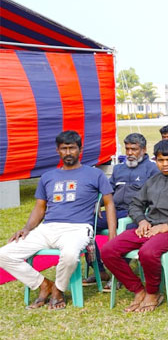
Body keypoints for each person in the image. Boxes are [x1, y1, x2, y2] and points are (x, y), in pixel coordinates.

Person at [0, 131, 115, 310]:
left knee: (70, 256)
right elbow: (40, 207)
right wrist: (27, 228)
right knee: (4, 254)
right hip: (48, 228)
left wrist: (112, 235)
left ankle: (58, 290)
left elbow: (109, 204)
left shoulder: (95, 174)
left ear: (80, 150)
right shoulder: (48, 176)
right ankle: (43, 285)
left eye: (72, 148)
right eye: (64, 149)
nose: (68, 153)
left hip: (78, 228)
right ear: (58, 151)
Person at [101, 140, 168, 313]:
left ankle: (153, 292)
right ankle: (138, 289)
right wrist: (142, 220)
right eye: (160, 160)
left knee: (147, 252)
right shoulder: (152, 181)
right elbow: (135, 204)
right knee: (108, 250)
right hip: (149, 228)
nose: (165, 164)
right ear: (155, 161)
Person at [100, 133, 158, 232]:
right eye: (127, 149)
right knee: (87, 222)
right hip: (114, 211)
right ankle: (95, 248)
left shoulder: (152, 169)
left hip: (136, 214)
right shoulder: (119, 168)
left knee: (128, 232)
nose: (129, 153)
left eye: (134, 149)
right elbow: (108, 191)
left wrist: (141, 214)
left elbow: (155, 198)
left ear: (143, 150)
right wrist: (97, 204)